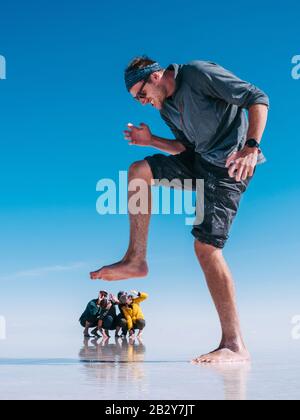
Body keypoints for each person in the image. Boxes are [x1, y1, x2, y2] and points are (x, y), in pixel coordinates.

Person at [90, 56, 269, 363]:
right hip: (198, 162)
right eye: (137, 99)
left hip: (230, 167)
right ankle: (136, 259)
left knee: (206, 248)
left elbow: (257, 97)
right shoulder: (167, 107)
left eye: (141, 94)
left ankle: (234, 344)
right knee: (138, 171)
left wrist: (250, 146)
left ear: (156, 75)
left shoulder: (198, 74)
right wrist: (151, 141)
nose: (143, 102)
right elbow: (184, 148)